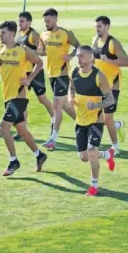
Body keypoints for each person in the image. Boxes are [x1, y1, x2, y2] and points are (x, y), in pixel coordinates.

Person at [0, 21, 48, 176]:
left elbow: (40, 63)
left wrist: (29, 79)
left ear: (13, 34)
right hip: (7, 97)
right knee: (21, 129)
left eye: (4, 33)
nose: (0, 36)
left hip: (19, 97)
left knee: (3, 127)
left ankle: (13, 161)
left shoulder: (23, 50)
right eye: (0, 33)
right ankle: (39, 155)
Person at [68, 45, 117, 197]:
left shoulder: (98, 76)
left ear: (90, 58)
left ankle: (94, 186)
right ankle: (107, 155)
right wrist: (70, 97)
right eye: (77, 55)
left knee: (91, 151)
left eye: (81, 56)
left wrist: (96, 105)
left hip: (96, 120)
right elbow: (71, 88)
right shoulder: (74, 72)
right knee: (83, 157)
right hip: (80, 120)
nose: (78, 58)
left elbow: (110, 99)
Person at [38, 8, 79, 150]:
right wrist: (33, 50)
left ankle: (52, 139)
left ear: (55, 19)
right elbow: (42, 51)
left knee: (56, 104)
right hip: (50, 73)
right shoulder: (43, 34)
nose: (46, 23)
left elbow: (79, 47)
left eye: (48, 21)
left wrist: (71, 56)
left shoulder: (65, 33)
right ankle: (83, 123)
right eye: (45, 21)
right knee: (64, 105)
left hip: (62, 73)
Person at [13, 11, 55, 141]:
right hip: (22, 72)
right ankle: (22, 129)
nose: (19, 23)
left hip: (35, 72)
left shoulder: (34, 35)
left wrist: (34, 51)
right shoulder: (18, 34)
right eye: (19, 21)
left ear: (29, 22)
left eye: (22, 21)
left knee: (42, 99)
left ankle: (55, 120)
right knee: (21, 101)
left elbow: (43, 52)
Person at [92, 16, 128, 155]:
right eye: (96, 26)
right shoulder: (94, 40)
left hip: (113, 84)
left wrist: (109, 60)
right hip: (99, 83)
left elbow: (126, 62)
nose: (97, 29)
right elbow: (94, 59)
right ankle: (117, 126)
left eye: (100, 26)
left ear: (107, 27)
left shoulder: (113, 43)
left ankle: (116, 147)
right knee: (98, 117)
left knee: (107, 118)